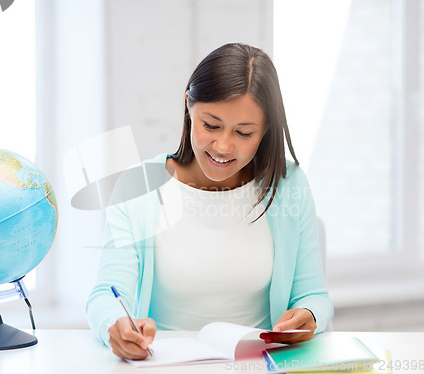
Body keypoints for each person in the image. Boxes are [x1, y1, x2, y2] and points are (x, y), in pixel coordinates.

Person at [86, 42, 334, 360]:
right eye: (211, 125)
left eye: (244, 133)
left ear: (266, 129)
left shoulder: (288, 184)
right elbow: (105, 293)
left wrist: (310, 314)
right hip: (165, 365)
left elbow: (314, 295)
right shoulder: (140, 186)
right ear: (189, 106)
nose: (223, 146)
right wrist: (114, 324)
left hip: (256, 365)